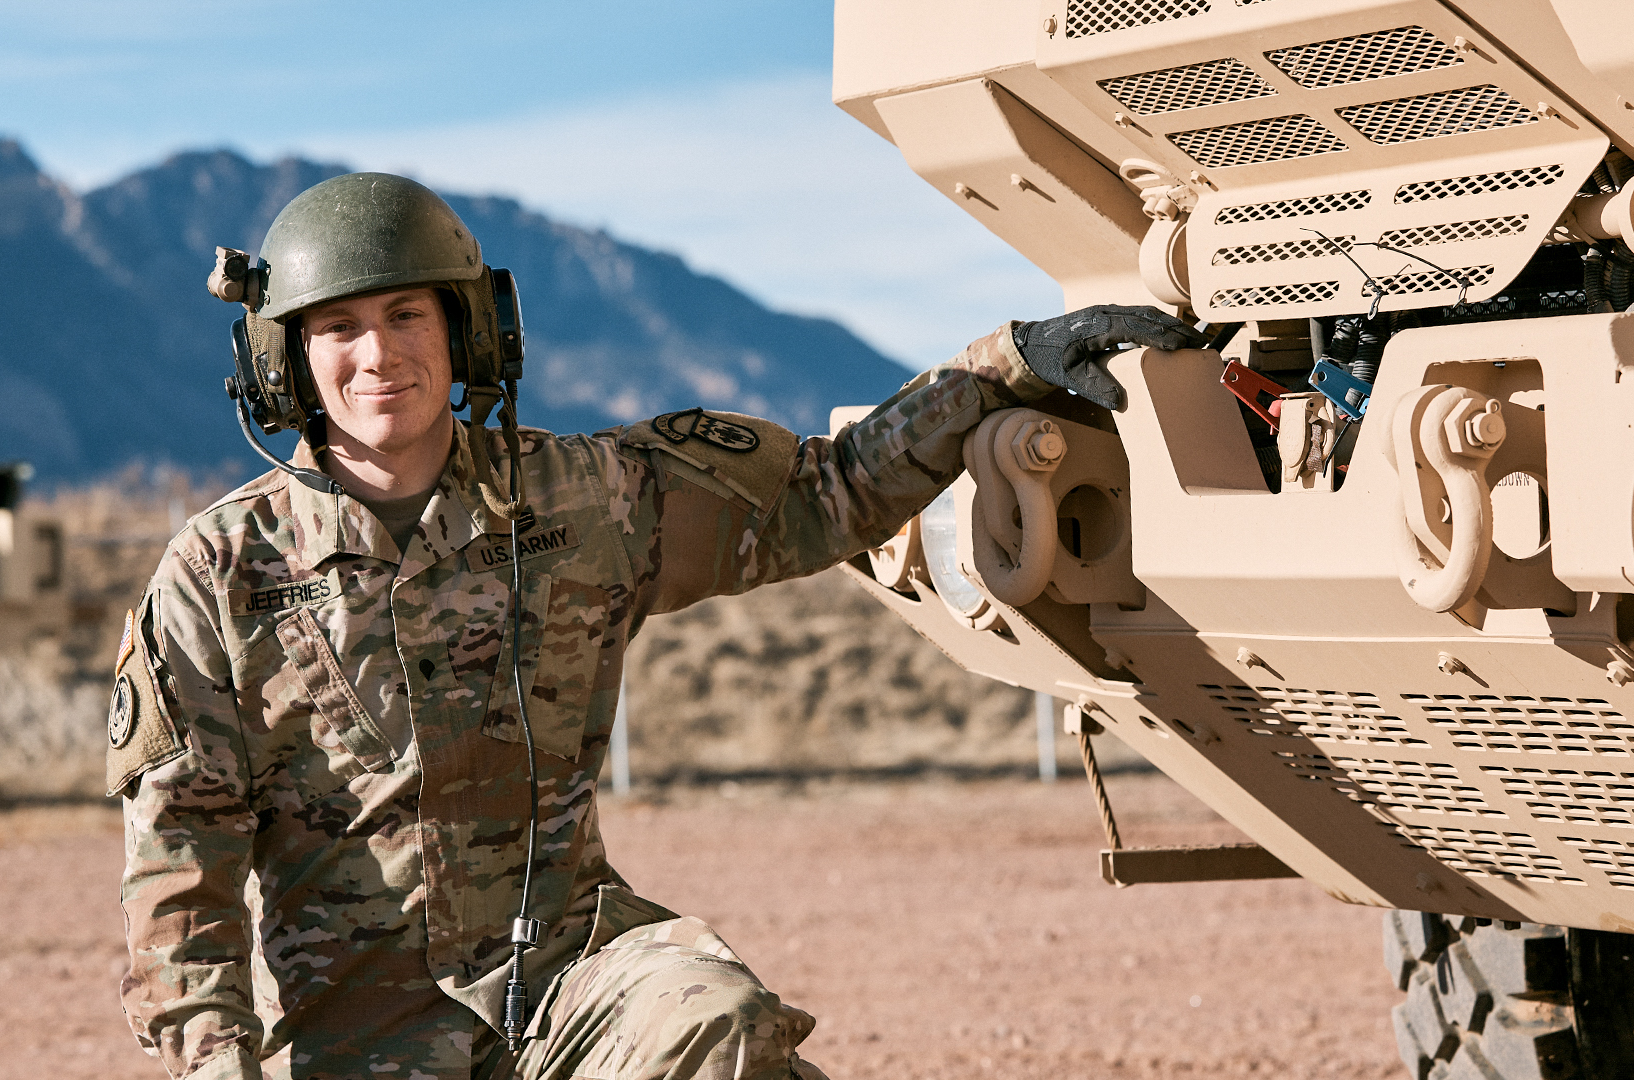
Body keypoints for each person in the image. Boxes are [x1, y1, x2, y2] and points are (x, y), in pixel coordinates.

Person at [108, 172, 1201, 1080]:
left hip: (572, 986)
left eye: (407, 316)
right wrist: (216, 1064)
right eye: (339, 328)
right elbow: (180, 858)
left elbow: (827, 492)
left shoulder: (584, 499)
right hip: (356, 1033)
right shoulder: (219, 573)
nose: (379, 353)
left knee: (719, 1025)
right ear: (284, 361)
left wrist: (1005, 364)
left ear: (469, 331)